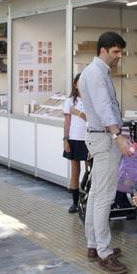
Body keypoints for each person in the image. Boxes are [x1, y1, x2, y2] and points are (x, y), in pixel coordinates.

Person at [77, 31, 135, 274]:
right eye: (115, 52)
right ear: (103, 50)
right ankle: (103, 251)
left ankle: (93, 244)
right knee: (104, 196)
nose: (119, 56)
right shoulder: (96, 73)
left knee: (96, 193)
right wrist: (117, 136)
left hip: (98, 137)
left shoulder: (92, 72)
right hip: (104, 138)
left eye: (120, 52)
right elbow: (103, 107)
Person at [61, 73, 88, 214]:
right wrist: (65, 139)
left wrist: (78, 113)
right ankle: (75, 202)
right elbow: (67, 122)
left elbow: (91, 119)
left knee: (90, 171)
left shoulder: (92, 100)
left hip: (89, 139)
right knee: (75, 171)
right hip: (74, 138)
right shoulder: (70, 101)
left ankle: (88, 198)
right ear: (75, 84)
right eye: (79, 82)